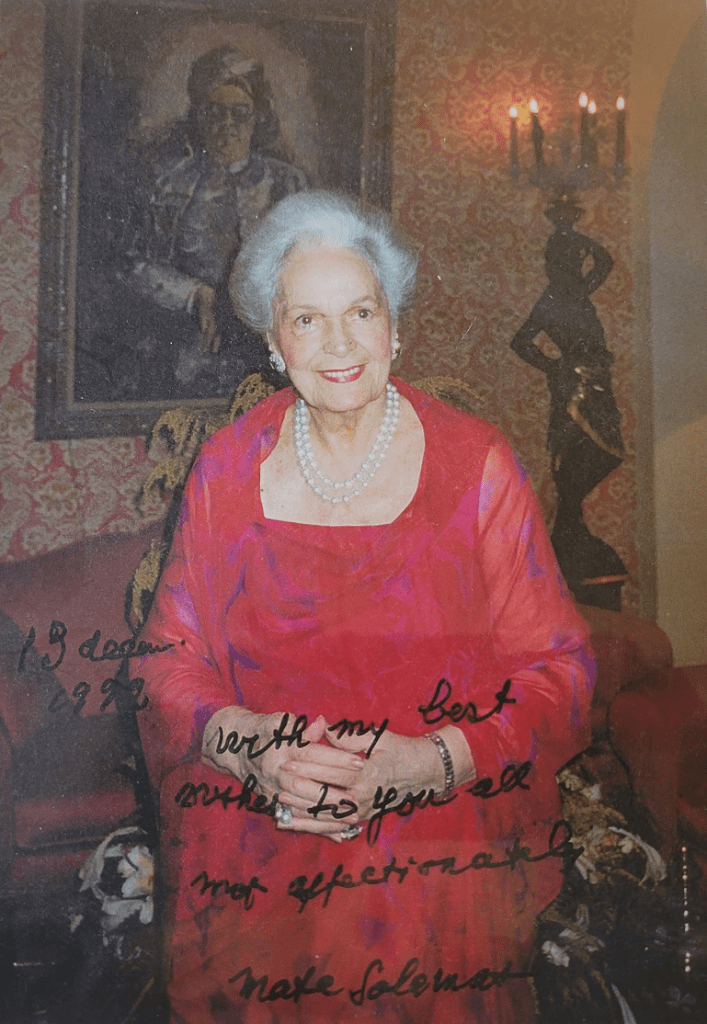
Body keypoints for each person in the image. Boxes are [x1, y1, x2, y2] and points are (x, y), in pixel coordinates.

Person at [138, 191, 594, 1023]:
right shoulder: (226, 470)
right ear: (273, 344)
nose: (339, 343)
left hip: (433, 870)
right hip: (262, 863)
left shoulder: (478, 465)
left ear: (395, 327)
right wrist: (255, 753)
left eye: (360, 311)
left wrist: (424, 764)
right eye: (306, 320)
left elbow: (561, 675)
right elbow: (170, 662)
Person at [118, 46, 307, 399]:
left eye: (240, 115)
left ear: (257, 120)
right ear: (198, 117)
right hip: (188, 350)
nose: (227, 127)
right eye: (215, 113)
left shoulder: (289, 184)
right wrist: (196, 295)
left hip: (270, 352)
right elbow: (133, 265)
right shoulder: (170, 184)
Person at [510, 193, 626, 608]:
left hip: (599, 380)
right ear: (553, 264)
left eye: (576, 261)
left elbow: (606, 261)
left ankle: (569, 526)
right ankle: (568, 530)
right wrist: (553, 367)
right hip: (573, 387)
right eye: (565, 260)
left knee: (610, 451)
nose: (574, 266)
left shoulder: (581, 291)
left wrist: (575, 234)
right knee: (575, 451)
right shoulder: (552, 300)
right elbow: (520, 342)